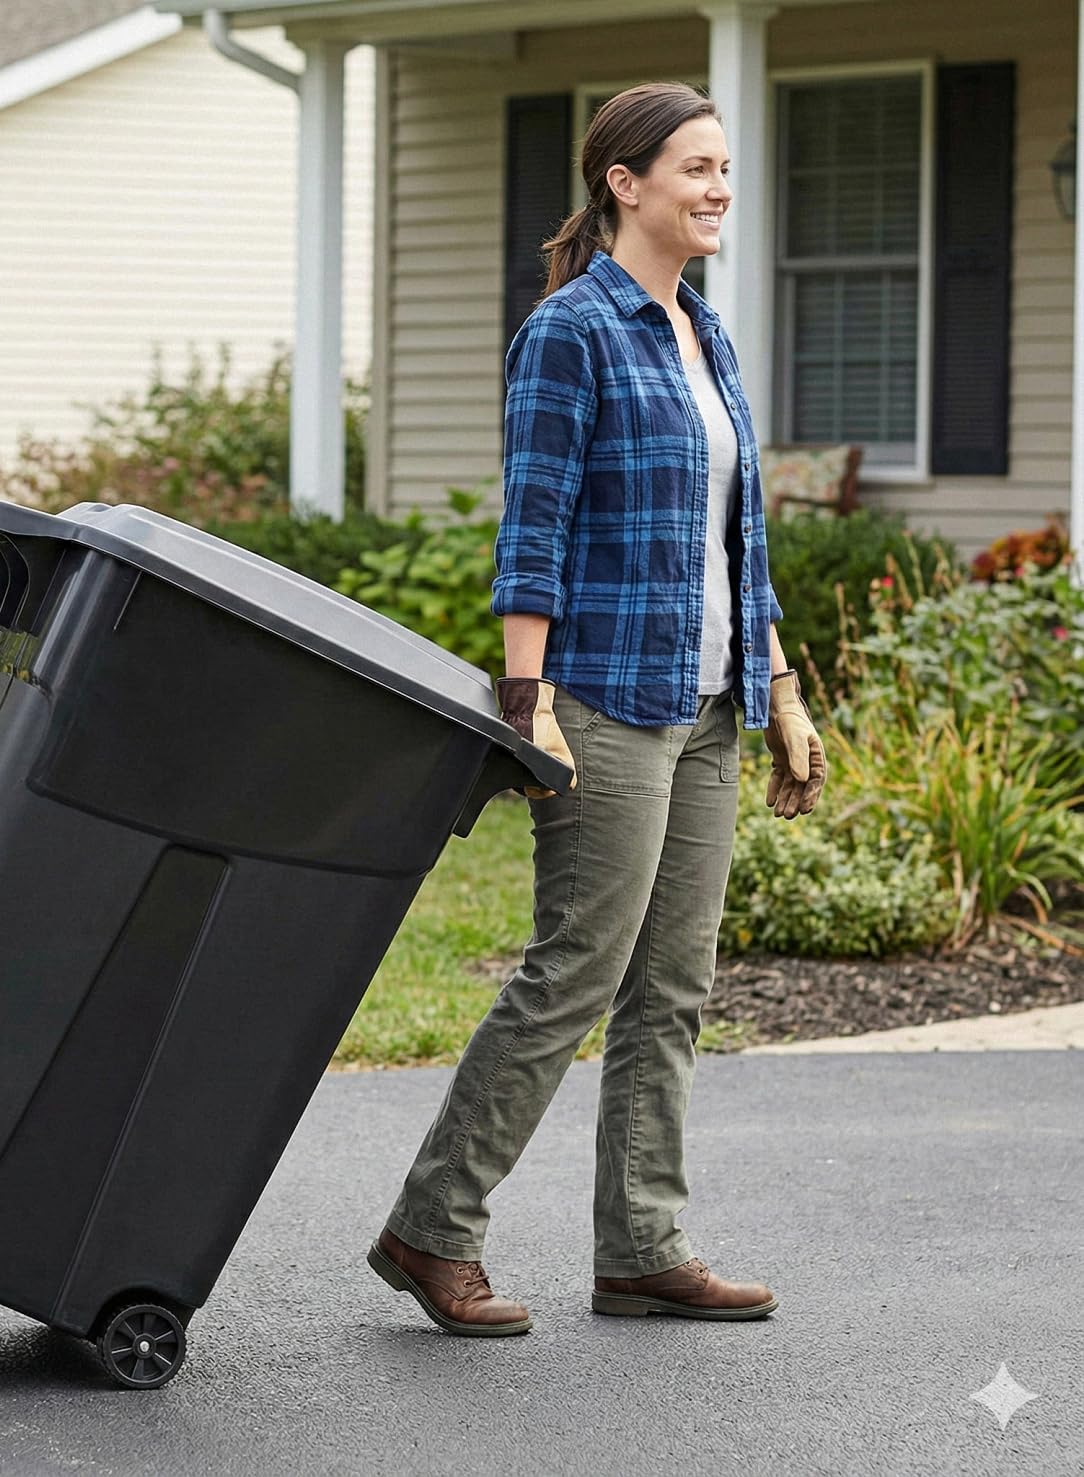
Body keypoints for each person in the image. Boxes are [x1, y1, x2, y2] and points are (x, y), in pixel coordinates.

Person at [367, 81, 827, 1334]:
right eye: (695, 167)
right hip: (609, 701)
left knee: (674, 982)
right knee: (576, 972)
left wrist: (780, 684)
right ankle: (432, 1226)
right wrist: (531, 700)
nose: (719, 188)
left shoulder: (707, 334)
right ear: (624, 182)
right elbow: (535, 532)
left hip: (713, 698)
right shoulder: (572, 332)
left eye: (725, 167)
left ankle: (642, 1245)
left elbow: (746, 542)